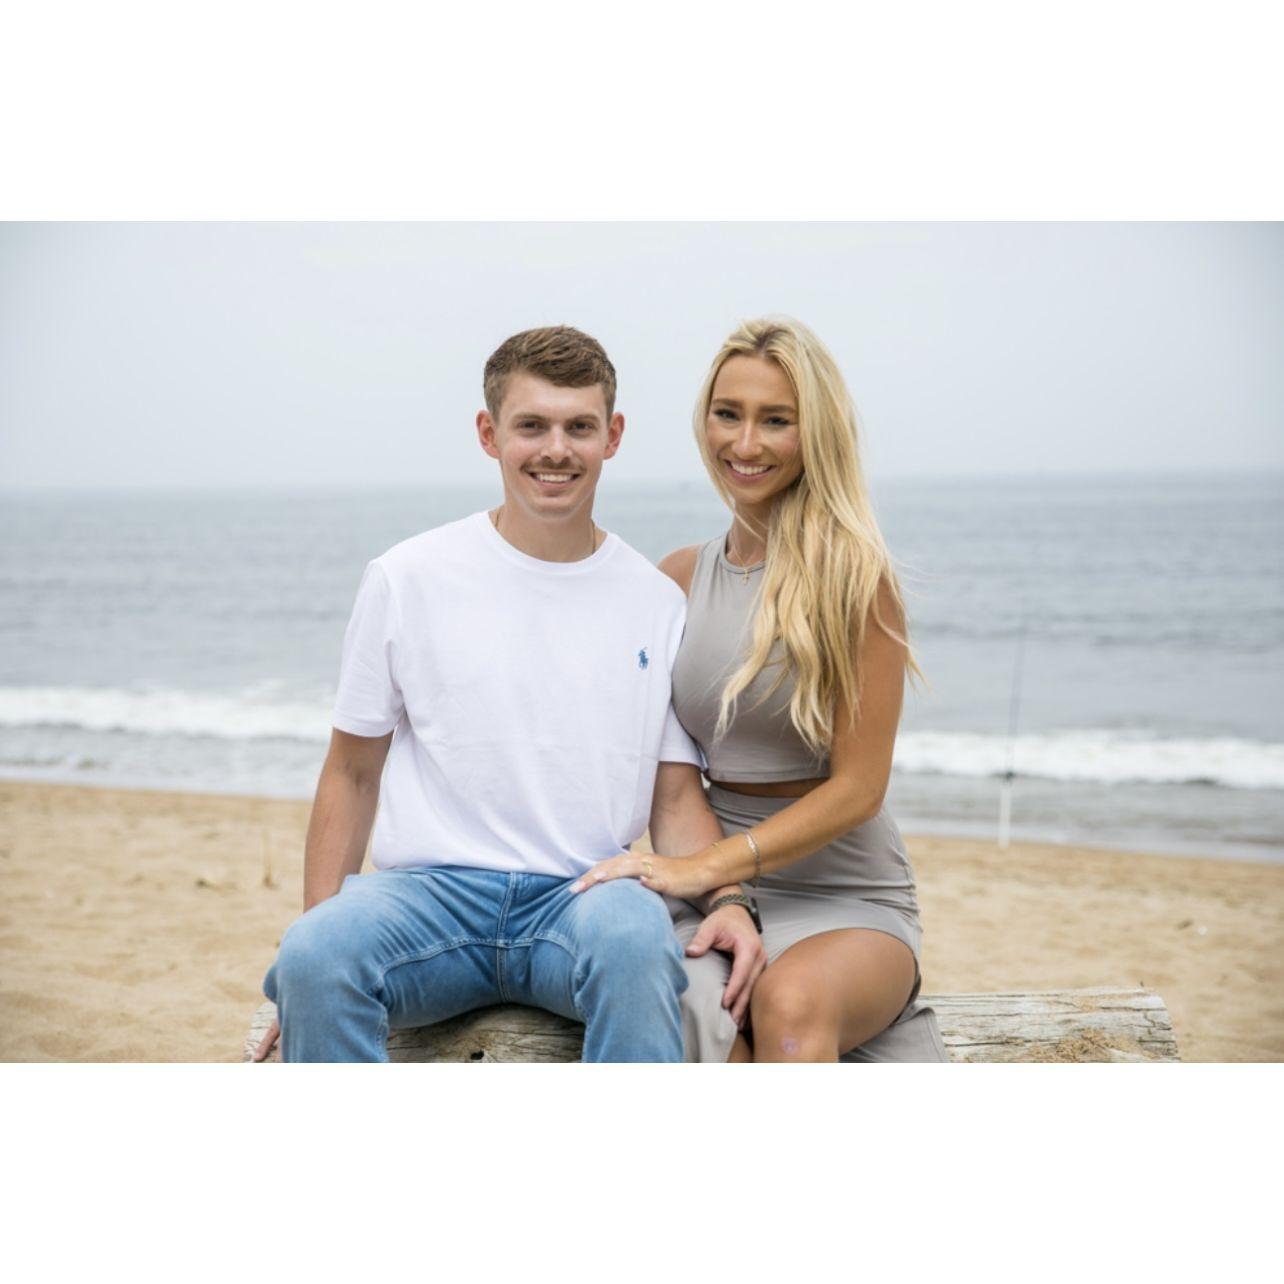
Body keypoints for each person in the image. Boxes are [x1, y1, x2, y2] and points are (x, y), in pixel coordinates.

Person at [254, 325, 764, 1063]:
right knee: (311, 956)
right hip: (428, 901)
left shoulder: (654, 601)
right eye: (532, 426)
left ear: (612, 436)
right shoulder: (407, 577)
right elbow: (352, 772)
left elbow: (676, 796)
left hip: (583, 898)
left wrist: (729, 901)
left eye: (579, 427)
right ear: (489, 434)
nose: (556, 449)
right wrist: (308, 965)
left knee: (636, 939)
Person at [572, 317, 948, 1062]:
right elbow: (652, 757)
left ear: (816, 433)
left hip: (845, 893)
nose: (745, 443)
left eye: (776, 420)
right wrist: (711, 885)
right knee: (697, 1018)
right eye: (728, 414)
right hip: (710, 891)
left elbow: (860, 789)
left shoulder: (856, 578)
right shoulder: (677, 578)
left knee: (788, 1005)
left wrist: (710, 866)